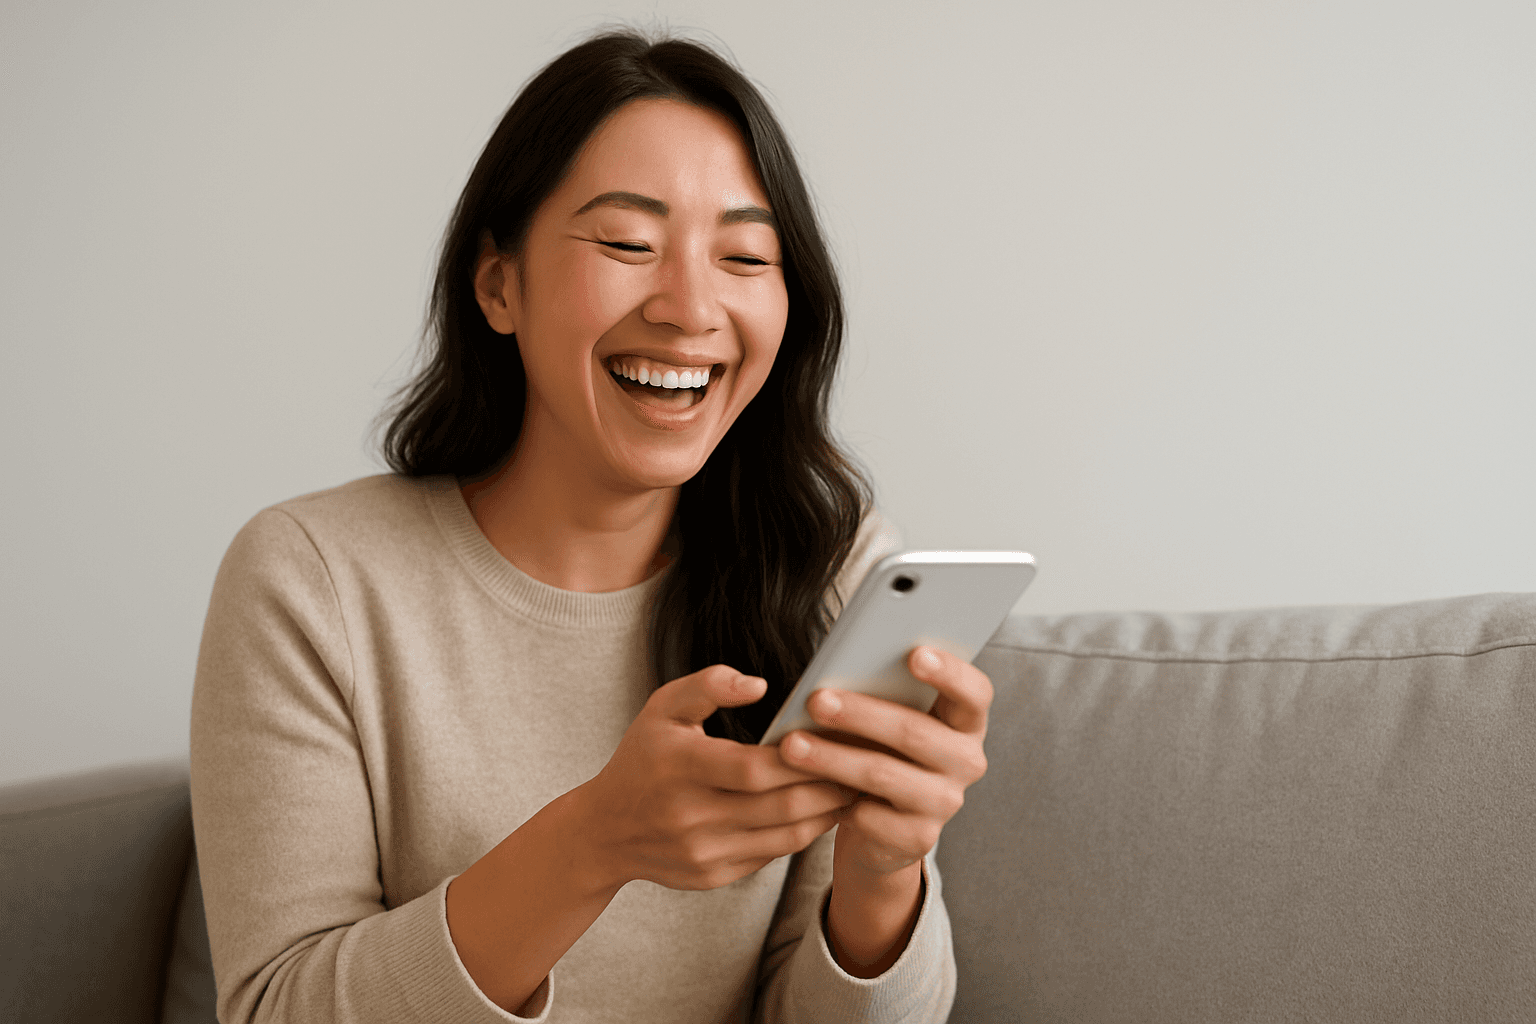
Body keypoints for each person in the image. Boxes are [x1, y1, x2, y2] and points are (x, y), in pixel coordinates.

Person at [191, 29, 993, 1023]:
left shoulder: (833, 571)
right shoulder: (312, 581)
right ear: (499, 284)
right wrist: (594, 844)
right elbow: (276, 1008)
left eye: (745, 255)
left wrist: (885, 873)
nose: (691, 307)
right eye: (627, 243)